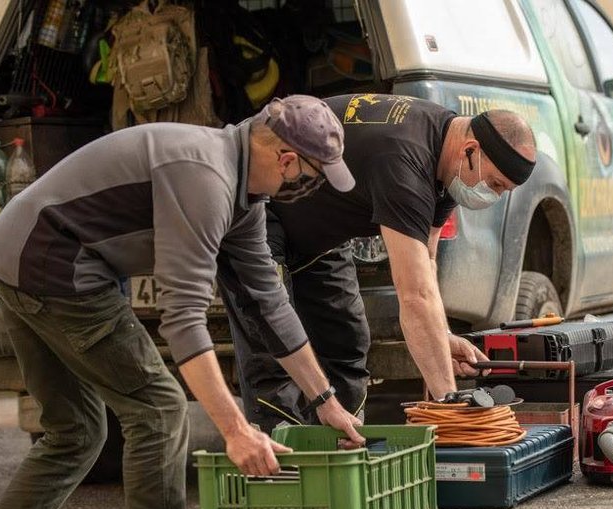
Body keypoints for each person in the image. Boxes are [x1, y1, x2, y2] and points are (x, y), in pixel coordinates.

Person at [0, 95, 364, 509]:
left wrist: (324, 401)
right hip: (52, 265)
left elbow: (270, 303)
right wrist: (235, 430)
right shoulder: (205, 177)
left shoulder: (241, 194)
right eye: (310, 172)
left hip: (17, 256)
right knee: (160, 410)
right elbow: (183, 317)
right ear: (285, 158)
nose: (305, 184)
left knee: (74, 434)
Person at [225, 93, 537, 431]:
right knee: (272, 347)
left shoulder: (447, 160)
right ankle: (282, 465)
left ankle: (344, 449)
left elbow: (426, 263)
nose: (491, 196)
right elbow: (414, 295)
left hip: (319, 228)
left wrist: (441, 335)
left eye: (502, 190)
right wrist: (450, 404)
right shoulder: (404, 159)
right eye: (493, 184)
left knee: (347, 339)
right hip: (258, 205)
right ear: (470, 150)